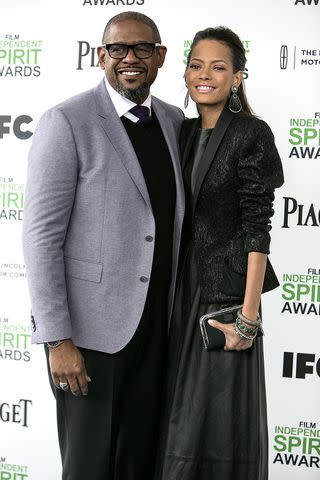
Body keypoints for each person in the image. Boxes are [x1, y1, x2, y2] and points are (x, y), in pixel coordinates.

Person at [22, 11, 184, 480]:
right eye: (118, 49)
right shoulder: (66, 121)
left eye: (142, 49)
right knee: (90, 467)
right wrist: (58, 340)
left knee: (140, 463)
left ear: (161, 57)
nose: (130, 59)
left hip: (157, 332)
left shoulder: (174, 122)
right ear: (101, 56)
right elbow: (41, 238)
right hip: (88, 339)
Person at [156, 27, 284, 480]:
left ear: (237, 78)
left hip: (223, 300)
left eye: (218, 67)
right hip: (176, 294)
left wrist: (247, 317)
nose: (204, 75)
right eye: (195, 65)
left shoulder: (251, 133)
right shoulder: (179, 131)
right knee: (174, 420)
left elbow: (257, 230)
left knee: (214, 427)